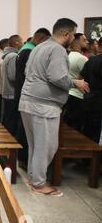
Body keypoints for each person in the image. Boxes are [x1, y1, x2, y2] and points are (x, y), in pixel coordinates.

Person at [19, 18, 89, 197]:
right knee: (48, 146)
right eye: (73, 34)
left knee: (35, 145)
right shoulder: (57, 50)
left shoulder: (39, 47)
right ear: (66, 34)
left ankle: (34, 177)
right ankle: (39, 183)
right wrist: (76, 83)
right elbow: (57, 77)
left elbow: (28, 71)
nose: (74, 38)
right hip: (43, 105)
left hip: (28, 101)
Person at [14, 28, 51, 168]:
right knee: (26, 129)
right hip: (27, 95)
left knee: (24, 127)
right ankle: (24, 158)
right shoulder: (29, 52)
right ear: (41, 38)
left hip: (22, 93)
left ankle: (23, 157)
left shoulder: (24, 49)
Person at [63, 33, 89, 131]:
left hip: (69, 93)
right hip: (78, 96)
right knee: (77, 128)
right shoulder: (81, 58)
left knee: (68, 127)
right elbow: (89, 78)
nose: (87, 42)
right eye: (84, 40)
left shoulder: (68, 55)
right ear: (76, 41)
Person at [1, 35, 23, 136]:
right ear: (17, 43)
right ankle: (10, 143)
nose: (23, 43)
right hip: (12, 93)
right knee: (11, 122)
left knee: (8, 119)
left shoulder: (8, 55)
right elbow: (13, 76)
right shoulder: (13, 56)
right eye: (22, 41)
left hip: (8, 92)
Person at [81, 38, 102, 143]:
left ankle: (84, 158)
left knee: (87, 131)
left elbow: (81, 76)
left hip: (88, 99)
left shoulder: (91, 60)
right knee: (96, 133)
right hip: (99, 102)